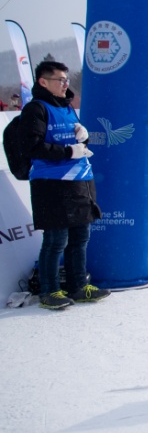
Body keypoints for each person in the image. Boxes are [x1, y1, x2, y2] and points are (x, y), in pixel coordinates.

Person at [18, 60, 107, 310]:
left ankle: (78, 286)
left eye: (67, 80)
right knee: (56, 240)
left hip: (79, 181)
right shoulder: (36, 109)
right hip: (51, 184)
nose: (66, 84)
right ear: (43, 82)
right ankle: (50, 291)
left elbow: (75, 142)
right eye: (60, 80)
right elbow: (32, 147)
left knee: (80, 237)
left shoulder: (67, 107)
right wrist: (68, 151)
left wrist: (83, 138)